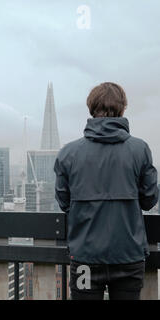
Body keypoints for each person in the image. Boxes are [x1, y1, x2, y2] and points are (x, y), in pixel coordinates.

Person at [54, 82, 158, 300]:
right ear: (122, 109)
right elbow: (149, 200)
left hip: (85, 259)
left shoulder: (68, 153)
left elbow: (64, 203)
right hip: (128, 258)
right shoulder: (140, 150)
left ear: (91, 108)